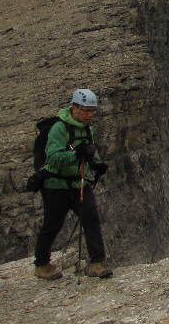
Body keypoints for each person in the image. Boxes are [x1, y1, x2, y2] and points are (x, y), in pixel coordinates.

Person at [33, 89, 112, 279]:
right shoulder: (59, 129)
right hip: (55, 185)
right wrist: (76, 154)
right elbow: (53, 159)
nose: (90, 115)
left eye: (92, 111)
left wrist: (97, 164)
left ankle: (97, 263)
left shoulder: (88, 130)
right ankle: (42, 264)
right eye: (86, 111)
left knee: (91, 219)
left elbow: (90, 153)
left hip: (78, 184)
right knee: (52, 225)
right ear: (74, 108)